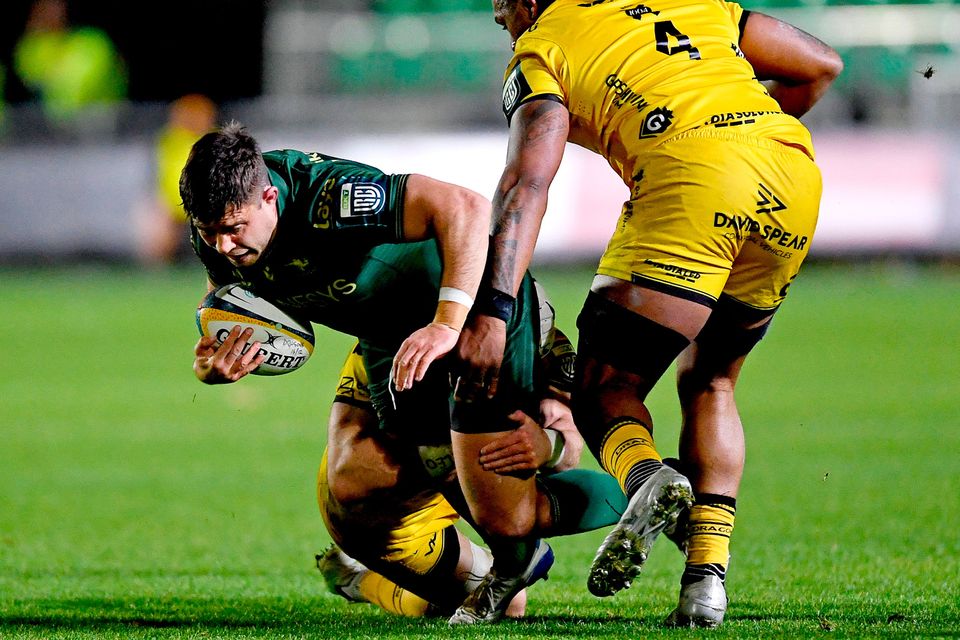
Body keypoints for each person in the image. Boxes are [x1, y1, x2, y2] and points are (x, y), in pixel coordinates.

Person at [455, 0, 843, 627]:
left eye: (502, 5)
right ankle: (704, 585)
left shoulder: (541, 48)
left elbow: (527, 182)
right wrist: (739, 137)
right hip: (790, 174)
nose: (500, 18)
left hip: (694, 174)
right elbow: (822, 64)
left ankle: (646, 480)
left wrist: (494, 309)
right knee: (712, 380)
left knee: (604, 389)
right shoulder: (696, 2)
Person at [180, 122, 622, 625]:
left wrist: (446, 323)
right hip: (391, 335)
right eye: (207, 230)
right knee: (352, 485)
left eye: (233, 227)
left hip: (470, 319)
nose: (221, 244)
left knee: (506, 511)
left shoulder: (332, 199)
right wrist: (212, 363)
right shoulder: (218, 232)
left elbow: (467, 209)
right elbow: (223, 305)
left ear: (268, 197)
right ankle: (487, 561)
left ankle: (631, 492)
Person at [316, 319, 626, 618]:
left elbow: (568, 451)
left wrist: (546, 444)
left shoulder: (540, 339)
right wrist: (467, 461)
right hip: (384, 518)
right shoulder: (406, 332)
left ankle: (645, 490)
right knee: (511, 598)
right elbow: (349, 479)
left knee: (511, 581)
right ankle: (360, 579)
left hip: (450, 488)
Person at [137, 94, 218, 266]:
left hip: (208, 202)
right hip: (172, 203)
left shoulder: (216, 140)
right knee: (155, 225)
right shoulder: (169, 140)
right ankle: (157, 273)